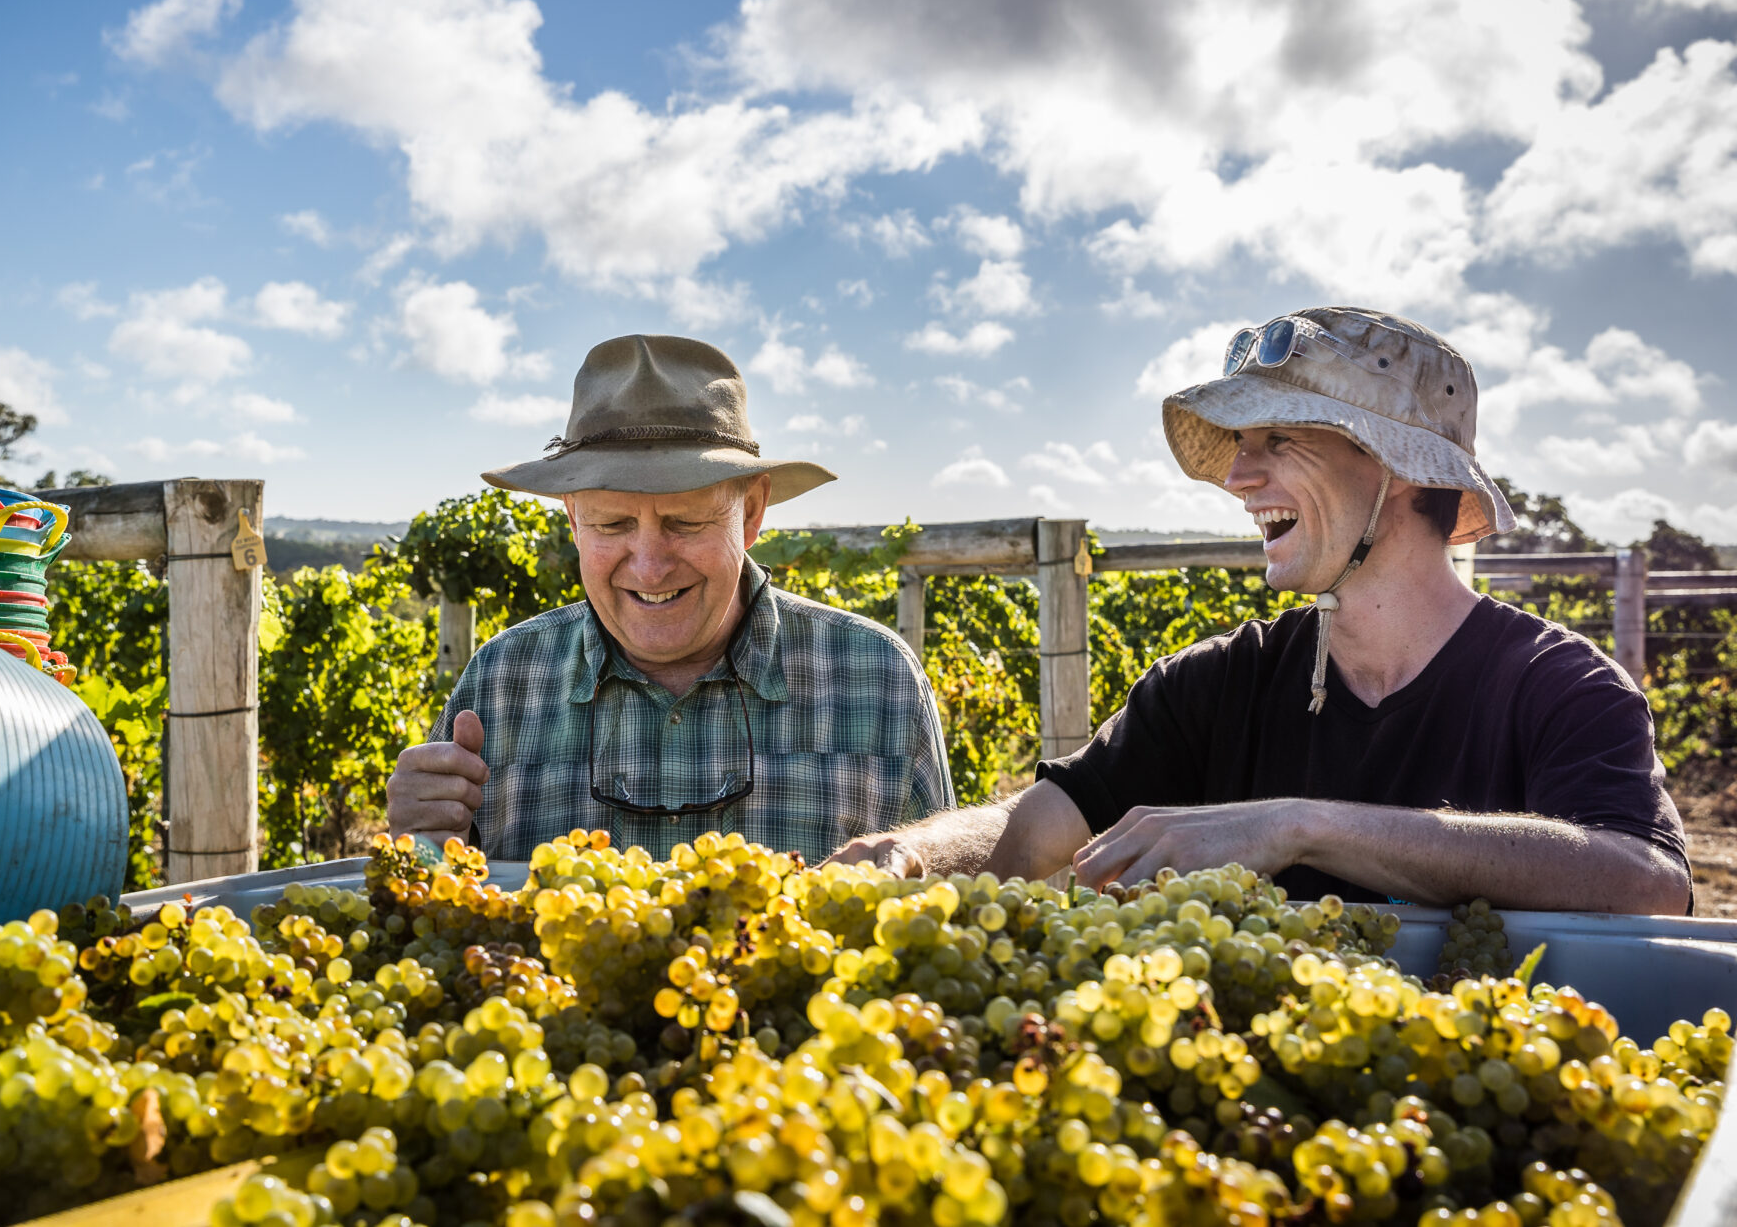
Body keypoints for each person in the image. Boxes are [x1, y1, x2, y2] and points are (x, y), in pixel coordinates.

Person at [831, 306, 1691, 914]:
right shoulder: (1216, 683)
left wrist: (1301, 826)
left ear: (1404, 472)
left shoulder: (1561, 688)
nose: (1240, 479)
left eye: (1279, 439)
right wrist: (920, 855)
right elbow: (1044, 827)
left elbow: (1646, 878)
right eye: (1241, 445)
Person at [386, 333, 955, 863]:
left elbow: (942, 917)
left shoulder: (876, 678)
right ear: (574, 518)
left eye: (685, 522)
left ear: (751, 511)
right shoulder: (502, 679)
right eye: (612, 524)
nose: (651, 565)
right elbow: (449, 920)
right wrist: (427, 851)